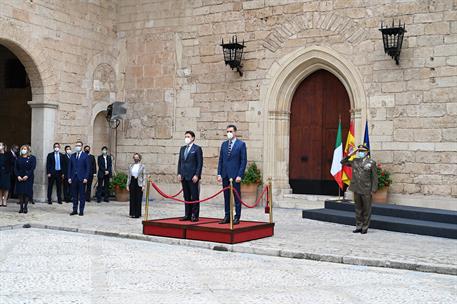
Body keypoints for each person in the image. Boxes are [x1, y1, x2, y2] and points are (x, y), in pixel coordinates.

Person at [341, 144, 378, 234]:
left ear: (367, 152)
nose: (361, 153)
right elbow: (342, 162)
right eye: (359, 151)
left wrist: (373, 189)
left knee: (366, 209)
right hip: (356, 187)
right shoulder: (355, 161)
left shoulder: (371, 162)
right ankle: (359, 226)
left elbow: (375, 177)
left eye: (362, 151)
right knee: (358, 209)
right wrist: (351, 153)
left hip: (366, 189)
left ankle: (365, 227)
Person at [217, 124, 247, 225]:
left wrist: (240, 175)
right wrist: (219, 173)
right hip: (225, 174)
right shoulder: (224, 144)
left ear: (235, 132)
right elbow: (220, 160)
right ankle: (227, 215)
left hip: (235, 175)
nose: (229, 133)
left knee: (236, 196)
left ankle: (237, 216)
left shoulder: (241, 144)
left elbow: (243, 161)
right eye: (227, 132)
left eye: (231, 131)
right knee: (226, 197)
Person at [177, 131, 203, 222]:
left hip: (193, 177)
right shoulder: (182, 148)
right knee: (186, 196)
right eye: (185, 137)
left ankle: (194, 215)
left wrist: (197, 175)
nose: (186, 138)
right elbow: (180, 162)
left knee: (194, 196)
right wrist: (179, 173)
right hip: (184, 176)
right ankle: (187, 214)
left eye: (188, 136)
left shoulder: (197, 149)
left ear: (193, 138)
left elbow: (199, 163)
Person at [68, 140, 90, 216]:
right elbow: (69, 168)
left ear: (81, 147)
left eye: (79, 145)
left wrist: (86, 177)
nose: (78, 147)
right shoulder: (72, 155)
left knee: (82, 195)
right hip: (74, 178)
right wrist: (69, 177)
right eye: (76, 145)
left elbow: (87, 168)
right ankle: (74, 210)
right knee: (74, 195)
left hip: (82, 178)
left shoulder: (85, 156)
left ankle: (81, 210)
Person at [14, 145, 36, 214]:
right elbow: (15, 168)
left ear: (28, 150)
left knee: (27, 192)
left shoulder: (32, 158)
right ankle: (21, 207)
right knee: (20, 192)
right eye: (22, 149)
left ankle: (25, 207)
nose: (24, 150)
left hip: (28, 178)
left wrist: (27, 175)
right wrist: (18, 176)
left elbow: (32, 168)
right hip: (20, 177)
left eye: (25, 149)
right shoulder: (18, 158)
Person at [126, 153, 146, 218]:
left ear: (139, 158)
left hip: (139, 182)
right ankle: (132, 213)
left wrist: (143, 185)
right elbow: (129, 176)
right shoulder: (130, 166)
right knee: (132, 198)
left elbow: (144, 176)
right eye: (135, 157)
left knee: (138, 198)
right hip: (132, 181)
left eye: (137, 157)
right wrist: (127, 185)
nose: (136, 159)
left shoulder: (142, 166)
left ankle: (137, 213)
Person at [0, 142, 11, 207]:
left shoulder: (8, 154)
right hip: (0, 172)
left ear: (3, 146)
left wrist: (8, 170)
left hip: (6, 172)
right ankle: (0, 200)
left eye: (0, 145)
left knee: (6, 187)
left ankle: (5, 201)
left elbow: (11, 163)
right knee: (0, 187)